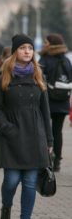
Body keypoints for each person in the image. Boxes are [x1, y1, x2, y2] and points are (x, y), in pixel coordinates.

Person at [0, 34, 53, 219]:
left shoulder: (38, 75)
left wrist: (49, 139)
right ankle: (6, 207)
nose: (27, 51)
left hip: (35, 136)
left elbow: (45, 110)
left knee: (30, 182)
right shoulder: (2, 75)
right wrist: (6, 128)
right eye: (23, 48)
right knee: (11, 181)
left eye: (30, 48)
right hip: (12, 136)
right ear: (15, 51)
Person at [39, 33, 71, 172]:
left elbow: (38, 77)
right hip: (63, 100)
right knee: (57, 131)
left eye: (46, 42)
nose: (44, 44)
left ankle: (47, 158)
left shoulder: (45, 59)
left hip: (47, 100)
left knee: (45, 129)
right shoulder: (66, 60)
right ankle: (57, 160)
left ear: (51, 44)